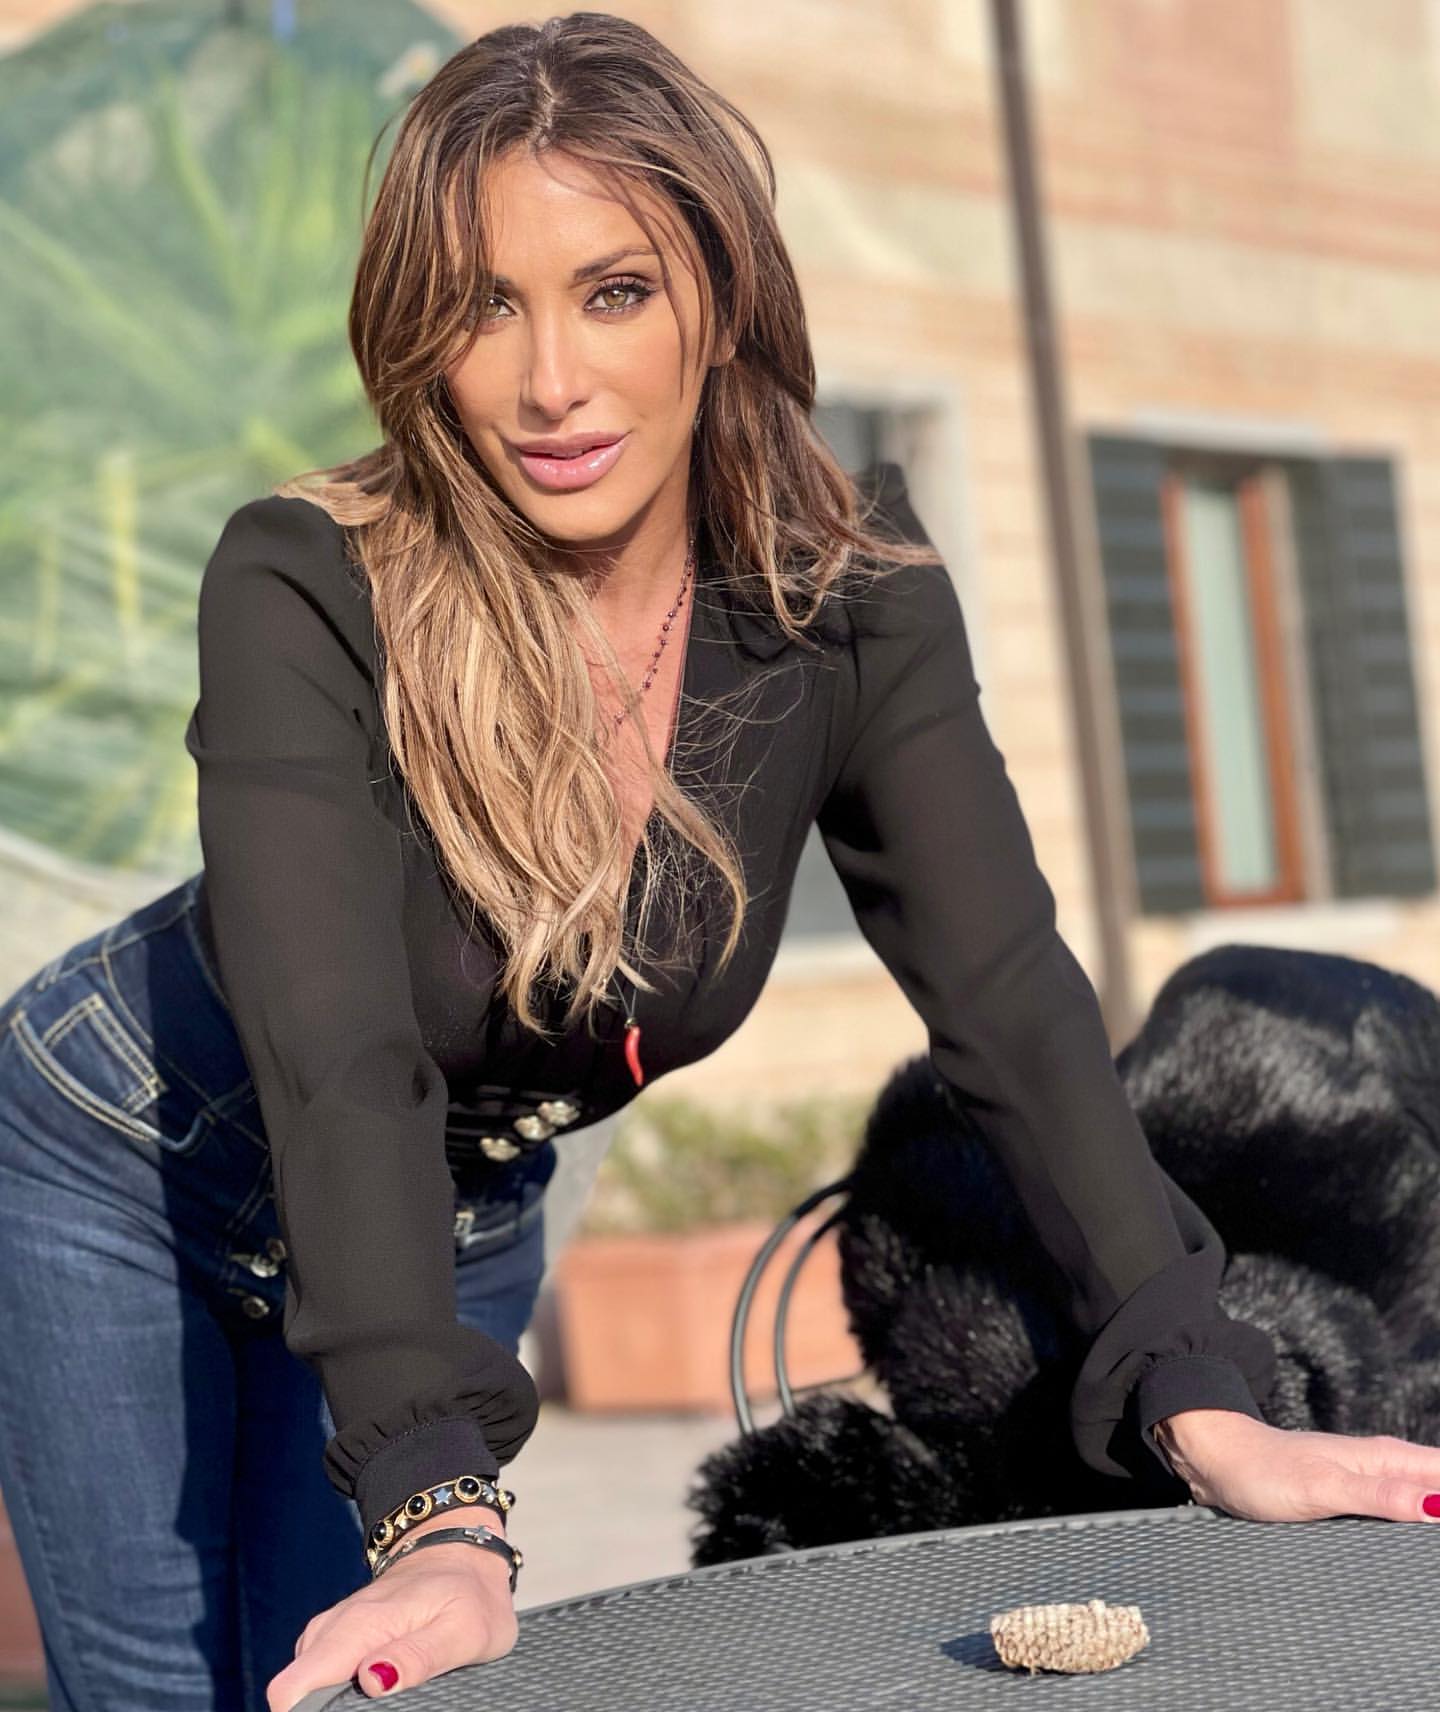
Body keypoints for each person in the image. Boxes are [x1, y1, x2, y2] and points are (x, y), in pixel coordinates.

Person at [3, 12, 1440, 1712]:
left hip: (451, 1198)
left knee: (335, 1688)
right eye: (482, 305)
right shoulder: (309, 582)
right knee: (176, 1691)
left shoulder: (847, 597)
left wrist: (1197, 1385)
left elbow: (1009, 1006)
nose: (551, 381)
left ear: (721, 295)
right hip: (130, 1164)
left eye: (614, 291)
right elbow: (341, 1063)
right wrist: (440, 1507)